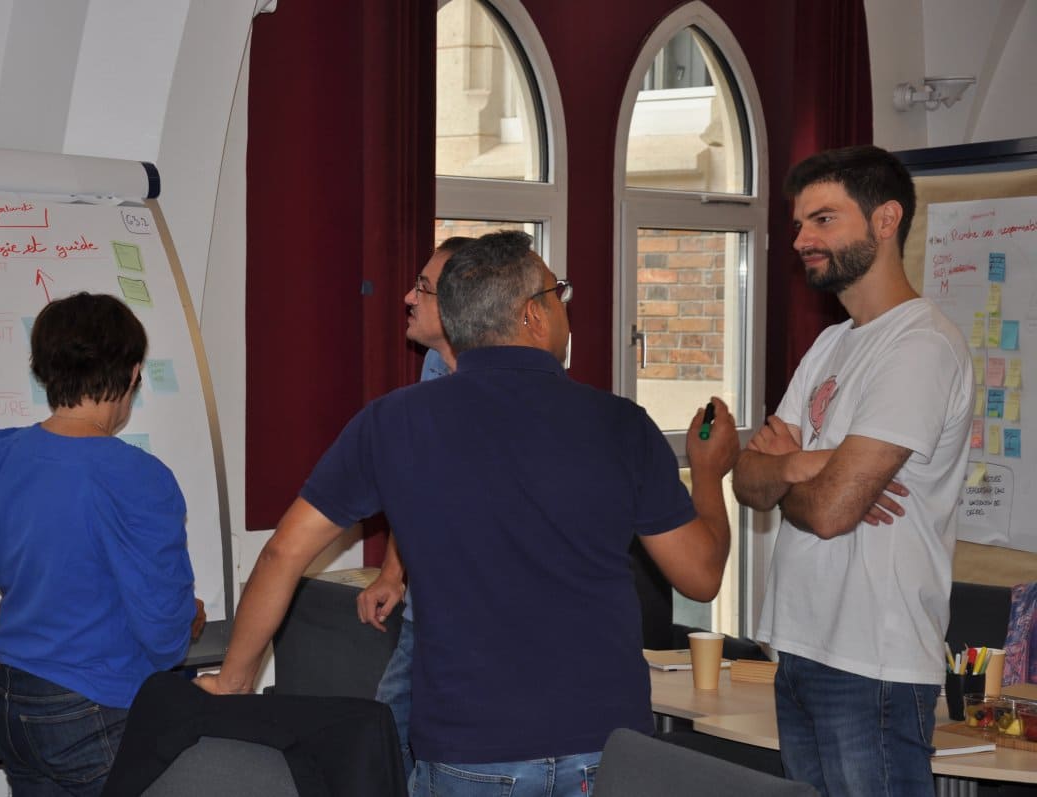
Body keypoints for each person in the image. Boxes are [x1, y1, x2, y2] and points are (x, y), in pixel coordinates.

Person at [197, 230, 738, 797]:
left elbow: (284, 551)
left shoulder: (391, 424)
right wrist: (707, 474)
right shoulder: (622, 425)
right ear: (534, 314)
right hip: (605, 748)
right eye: (560, 293)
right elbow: (700, 577)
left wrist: (234, 681)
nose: (565, 308)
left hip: (470, 749)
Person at [732, 146, 973, 796]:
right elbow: (747, 480)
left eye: (824, 219)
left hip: (875, 663)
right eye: (800, 223)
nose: (802, 239)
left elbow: (834, 510)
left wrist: (793, 469)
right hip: (803, 648)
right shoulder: (831, 343)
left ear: (886, 219)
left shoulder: (921, 345)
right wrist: (812, 464)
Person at [0, 292, 201, 797]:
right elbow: (165, 639)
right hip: (98, 712)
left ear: (45, 372)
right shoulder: (140, 477)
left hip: (13, 707)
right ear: (133, 373)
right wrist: (187, 611)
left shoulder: (6, 453)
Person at [356, 235, 472, 779]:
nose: (407, 296)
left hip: (476, 618)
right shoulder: (432, 363)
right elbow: (417, 483)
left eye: (422, 288)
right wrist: (392, 574)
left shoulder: (507, 380)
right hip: (427, 607)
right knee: (387, 730)